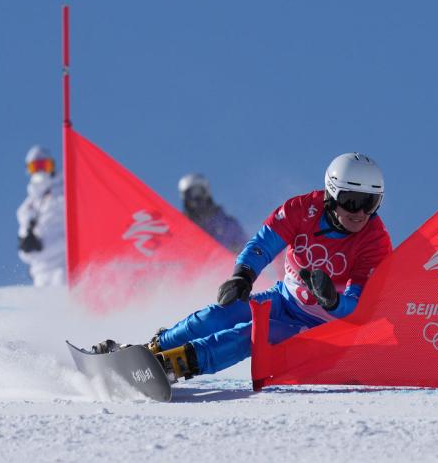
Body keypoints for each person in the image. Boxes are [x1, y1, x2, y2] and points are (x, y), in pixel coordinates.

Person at [94, 153, 393, 382]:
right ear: (331, 194)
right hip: (283, 299)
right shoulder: (302, 209)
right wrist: (244, 275)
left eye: (371, 203)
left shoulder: (375, 242)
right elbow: (264, 244)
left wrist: (334, 301)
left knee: (251, 334)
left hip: (321, 330)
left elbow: (359, 308)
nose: (361, 214)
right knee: (218, 315)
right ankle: (148, 352)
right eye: (352, 201)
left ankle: (171, 367)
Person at [16, 145, 66, 287]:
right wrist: (28, 246)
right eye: (35, 167)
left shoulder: (65, 195)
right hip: (40, 274)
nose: (40, 171)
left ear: (52, 167)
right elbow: (24, 253)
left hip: (63, 267)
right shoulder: (26, 208)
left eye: (44, 165)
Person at [178, 173, 247, 253]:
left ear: (207, 192)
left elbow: (243, 244)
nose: (196, 197)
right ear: (185, 197)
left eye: (200, 192)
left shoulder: (227, 224)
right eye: (190, 194)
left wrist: (237, 252)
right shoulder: (180, 227)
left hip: (223, 260)